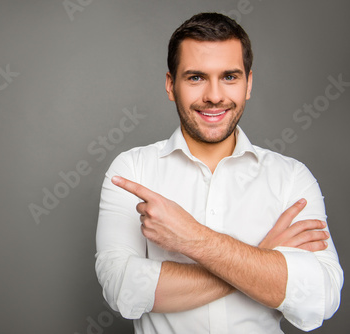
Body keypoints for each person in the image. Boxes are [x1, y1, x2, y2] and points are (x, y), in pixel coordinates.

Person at [95, 12, 343, 333]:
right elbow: (123, 291)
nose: (214, 96)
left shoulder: (292, 178)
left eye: (229, 77)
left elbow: (319, 301)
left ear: (248, 83)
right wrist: (262, 257)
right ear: (171, 85)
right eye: (196, 77)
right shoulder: (133, 170)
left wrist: (193, 239)